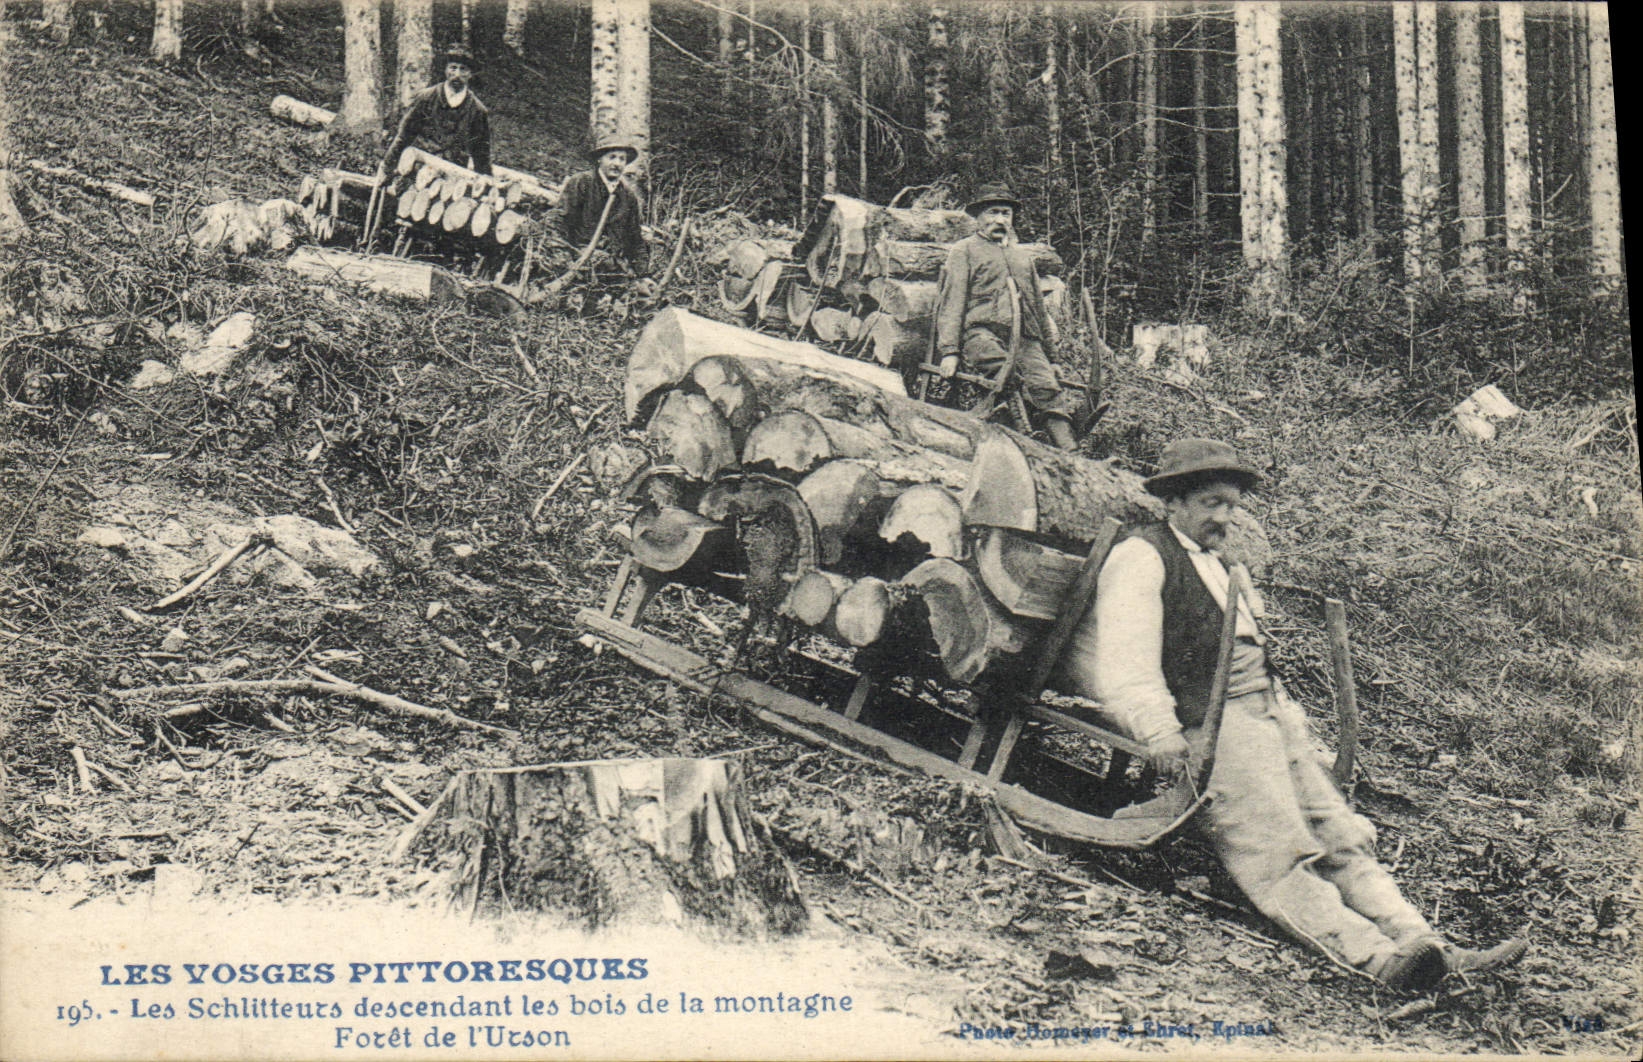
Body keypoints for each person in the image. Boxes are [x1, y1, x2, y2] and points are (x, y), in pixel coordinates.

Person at [1061, 438, 1528, 991]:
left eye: (1232, 505)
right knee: (1277, 850)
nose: (1225, 516)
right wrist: (1158, 731)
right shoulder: (1142, 556)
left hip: (1265, 715)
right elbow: (1125, 659)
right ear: (1175, 502)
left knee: (1341, 834)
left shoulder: (1224, 565)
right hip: (1210, 723)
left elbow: (1253, 657)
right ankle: (1376, 959)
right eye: (1212, 502)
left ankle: (1428, 944)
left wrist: (1293, 727)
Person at [933, 183, 1080, 451]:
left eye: (1006, 213)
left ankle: (1071, 451)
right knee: (1005, 372)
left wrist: (1053, 358)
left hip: (1025, 337)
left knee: (1046, 385)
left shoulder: (1022, 257)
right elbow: (952, 302)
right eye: (993, 212)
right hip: (980, 333)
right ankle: (1025, 437)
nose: (1000, 220)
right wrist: (950, 351)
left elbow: (1038, 308)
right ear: (978, 217)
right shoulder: (964, 251)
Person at [381, 44, 492, 178]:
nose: (457, 74)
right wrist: (387, 167)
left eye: (463, 69)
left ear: (470, 74)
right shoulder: (426, 98)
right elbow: (404, 136)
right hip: (418, 171)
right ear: (446, 70)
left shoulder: (477, 110)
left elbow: (481, 153)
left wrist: (486, 182)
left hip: (452, 177)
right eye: (453, 68)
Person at [547, 136, 649, 281]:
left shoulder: (628, 196)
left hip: (613, 268)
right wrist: (564, 260)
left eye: (622, 159)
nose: (617, 163)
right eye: (611, 157)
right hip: (580, 261)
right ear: (599, 159)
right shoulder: (582, 182)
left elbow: (635, 238)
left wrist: (643, 274)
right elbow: (558, 220)